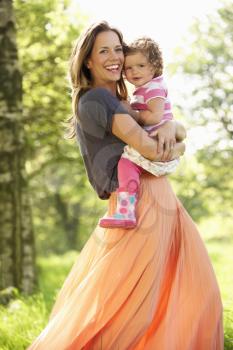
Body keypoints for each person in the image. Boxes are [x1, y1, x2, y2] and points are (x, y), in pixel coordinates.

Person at [28, 21, 223, 350]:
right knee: (126, 310)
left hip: (155, 198)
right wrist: (177, 140)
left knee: (177, 298)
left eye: (118, 48)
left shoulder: (119, 99)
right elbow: (151, 150)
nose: (115, 57)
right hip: (138, 203)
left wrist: (173, 127)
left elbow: (166, 131)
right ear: (87, 60)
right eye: (103, 50)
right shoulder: (97, 101)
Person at [99, 37, 183, 229]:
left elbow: (155, 117)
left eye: (140, 65)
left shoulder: (153, 88)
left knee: (126, 164)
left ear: (153, 68)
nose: (134, 71)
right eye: (128, 68)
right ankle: (127, 209)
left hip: (156, 143)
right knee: (129, 166)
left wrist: (131, 112)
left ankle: (126, 211)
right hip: (157, 144)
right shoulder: (144, 89)